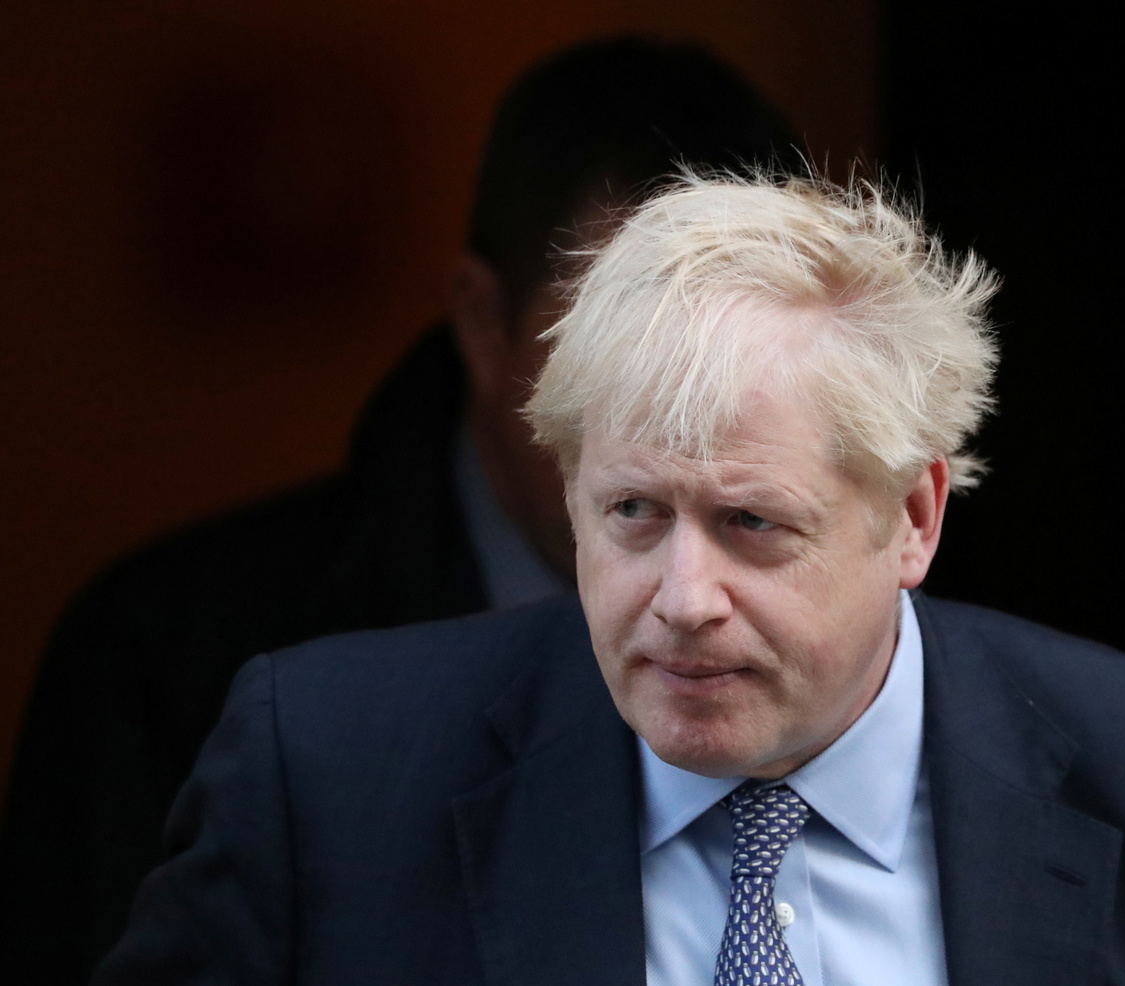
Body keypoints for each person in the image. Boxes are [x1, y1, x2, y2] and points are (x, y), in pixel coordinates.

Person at [92, 172, 1125, 984]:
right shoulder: (324, 774)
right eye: (634, 513)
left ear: (916, 514)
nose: (682, 592)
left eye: (754, 522)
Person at [0, 39, 795, 985]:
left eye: (751, 348)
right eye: (620, 343)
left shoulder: (873, 630)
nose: (693, 416)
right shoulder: (172, 660)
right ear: (481, 322)